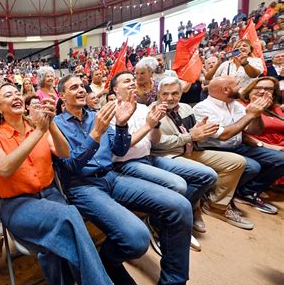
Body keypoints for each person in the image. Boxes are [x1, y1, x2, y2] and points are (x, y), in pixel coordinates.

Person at [54, 74, 193, 285]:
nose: (81, 90)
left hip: (112, 177)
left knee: (181, 206)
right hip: (83, 187)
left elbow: (119, 149)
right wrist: (96, 133)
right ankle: (108, 260)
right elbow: (72, 165)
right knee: (137, 239)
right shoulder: (57, 125)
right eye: (74, 88)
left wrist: (121, 124)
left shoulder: (95, 115)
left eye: (82, 86)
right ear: (62, 96)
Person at [0, 83, 114, 285]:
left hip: (51, 196)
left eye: (17, 93)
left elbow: (64, 152)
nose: (16, 96)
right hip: (18, 205)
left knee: (53, 244)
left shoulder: (37, 126)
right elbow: (4, 168)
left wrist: (50, 125)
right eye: (8, 95)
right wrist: (38, 131)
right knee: (69, 215)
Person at [110, 73, 216, 250]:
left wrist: (156, 125)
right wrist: (149, 125)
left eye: (132, 80)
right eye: (126, 81)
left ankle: (174, 217)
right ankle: (162, 224)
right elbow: (122, 148)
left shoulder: (144, 108)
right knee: (178, 185)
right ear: (115, 89)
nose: (131, 83)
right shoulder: (109, 110)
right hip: (127, 163)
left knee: (208, 175)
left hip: (149, 157)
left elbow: (155, 140)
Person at [152, 77, 252, 230]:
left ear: (181, 93)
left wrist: (201, 130)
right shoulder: (152, 111)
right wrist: (190, 136)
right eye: (165, 94)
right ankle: (192, 209)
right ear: (159, 94)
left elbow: (194, 134)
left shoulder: (186, 108)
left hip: (192, 151)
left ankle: (216, 205)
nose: (170, 98)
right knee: (205, 173)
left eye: (174, 93)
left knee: (237, 162)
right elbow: (156, 144)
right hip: (169, 155)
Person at [193, 76, 284, 215]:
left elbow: (255, 131)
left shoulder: (237, 106)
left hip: (239, 147)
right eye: (237, 85)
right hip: (214, 149)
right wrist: (249, 115)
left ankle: (246, 192)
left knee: (281, 159)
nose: (241, 88)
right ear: (226, 89)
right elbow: (224, 136)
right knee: (252, 167)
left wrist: (257, 114)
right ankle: (215, 195)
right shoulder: (203, 108)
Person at [240, 77, 284, 150]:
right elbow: (239, 135)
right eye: (258, 88)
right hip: (261, 147)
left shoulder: (278, 108)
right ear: (250, 89)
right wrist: (265, 145)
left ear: (274, 92)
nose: (262, 91)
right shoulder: (239, 105)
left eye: (269, 89)